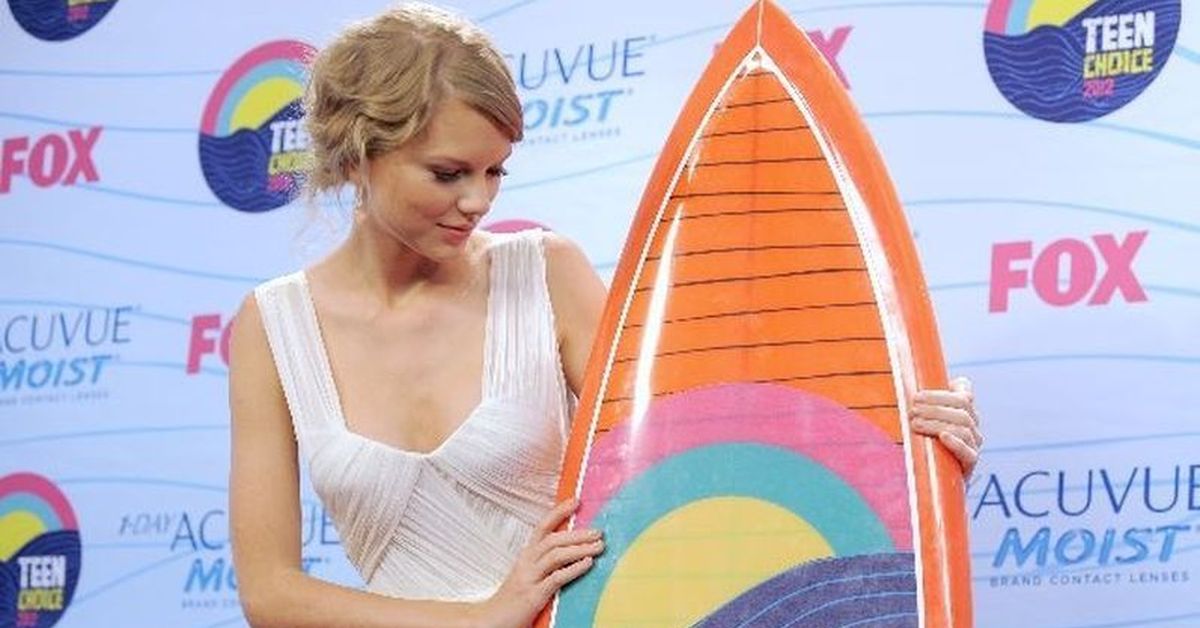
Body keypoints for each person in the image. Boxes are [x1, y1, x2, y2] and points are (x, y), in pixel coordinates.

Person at [227, 3, 983, 627]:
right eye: (447, 173)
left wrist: (906, 458)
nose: (478, 200)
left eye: (495, 171)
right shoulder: (272, 326)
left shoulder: (543, 274)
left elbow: (706, 459)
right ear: (357, 155)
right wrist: (480, 618)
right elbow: (270, 592)